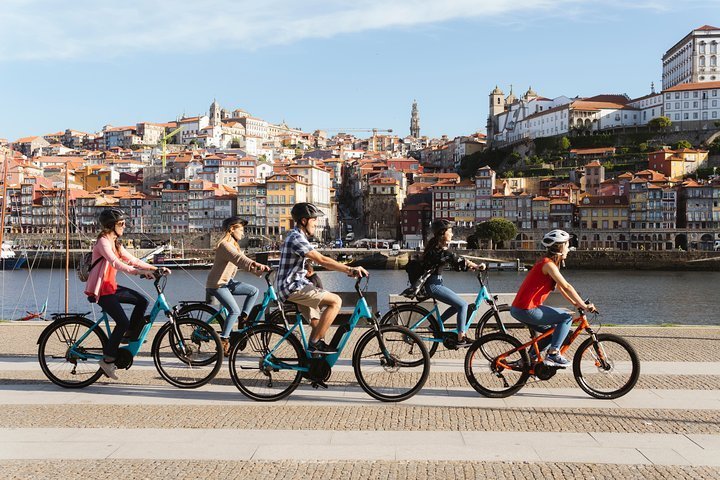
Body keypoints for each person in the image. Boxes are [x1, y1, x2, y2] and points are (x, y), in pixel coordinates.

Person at [85, 208, 169, 380]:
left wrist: (155, 268)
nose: (124, 226)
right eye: (121, 224)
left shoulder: (116, 242)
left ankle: (130, 335)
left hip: (112, 287)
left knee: (142, 301)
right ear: (111, 226)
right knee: (122, 322)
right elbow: (116, 263)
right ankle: (108, 359)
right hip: (101, 291)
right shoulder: (103, 242)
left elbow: (132, 260)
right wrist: (138, 272)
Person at [275, 202, 368, 355]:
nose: (316, 223)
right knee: (335, 301)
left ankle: (313, 366)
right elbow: (322, 260)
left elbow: (320, 261)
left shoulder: (298, 236)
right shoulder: (296, 237)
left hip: (296, 285)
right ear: (304, 221)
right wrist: (350, 269)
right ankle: (314, 344)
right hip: (291, 287)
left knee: (318, 325)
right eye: (314, 219)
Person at [510, 229, 597, 367]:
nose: (569, 249)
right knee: (566, 318)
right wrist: (584, 306)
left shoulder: (550, 264)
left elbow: (561, 289)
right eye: (567, 246)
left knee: (552, 332)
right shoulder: (548, 264)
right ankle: (553, 354)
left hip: (522, 308)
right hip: (526, 309)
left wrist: (576, 303)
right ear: (561, 247)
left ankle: (529, 360)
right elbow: (567, 286)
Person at [206, 216, 271, 356]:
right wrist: (257, 264)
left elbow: (242, 263)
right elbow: (239, 259)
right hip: (217, 284)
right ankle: (223, 341)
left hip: (227, 282)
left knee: (253, 291)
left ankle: (244, 319)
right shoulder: (225, 245)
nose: (243, 233)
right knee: (234, 310)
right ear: (231, 229)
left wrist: (258, 271)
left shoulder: (234, 245)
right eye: (241, 230)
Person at [422, 219, 483, 348]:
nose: (452, 234)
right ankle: (461, 337)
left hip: (436, 283)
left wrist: (470, 266)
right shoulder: (439, 250)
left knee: (457, 305)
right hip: (434, 285)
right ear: (443, 233)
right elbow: (457, 259)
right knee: (462, 305)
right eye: (450, 231)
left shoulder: (438, 248)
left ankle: (436, 325)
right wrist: (476, 266)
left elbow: (457, 260)